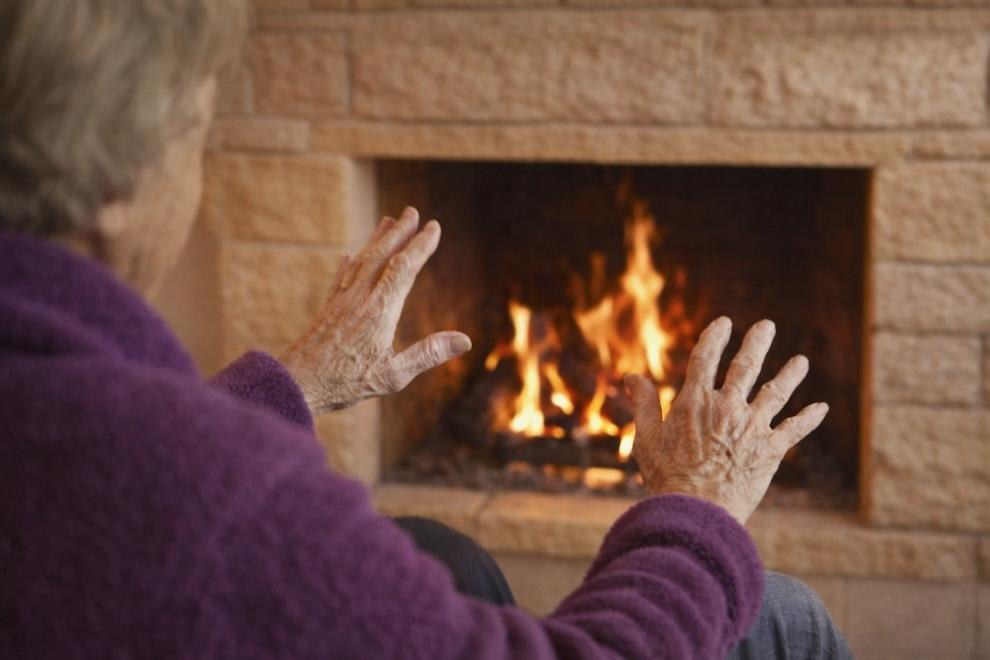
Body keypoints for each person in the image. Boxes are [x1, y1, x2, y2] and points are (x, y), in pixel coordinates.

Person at [0, 1, 852, 658]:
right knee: (785, 617)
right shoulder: (206, 496)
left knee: (438, 552)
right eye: (197, 136)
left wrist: (297, 382)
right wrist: (694, 507)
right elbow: (160, 490)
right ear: (112, 188)